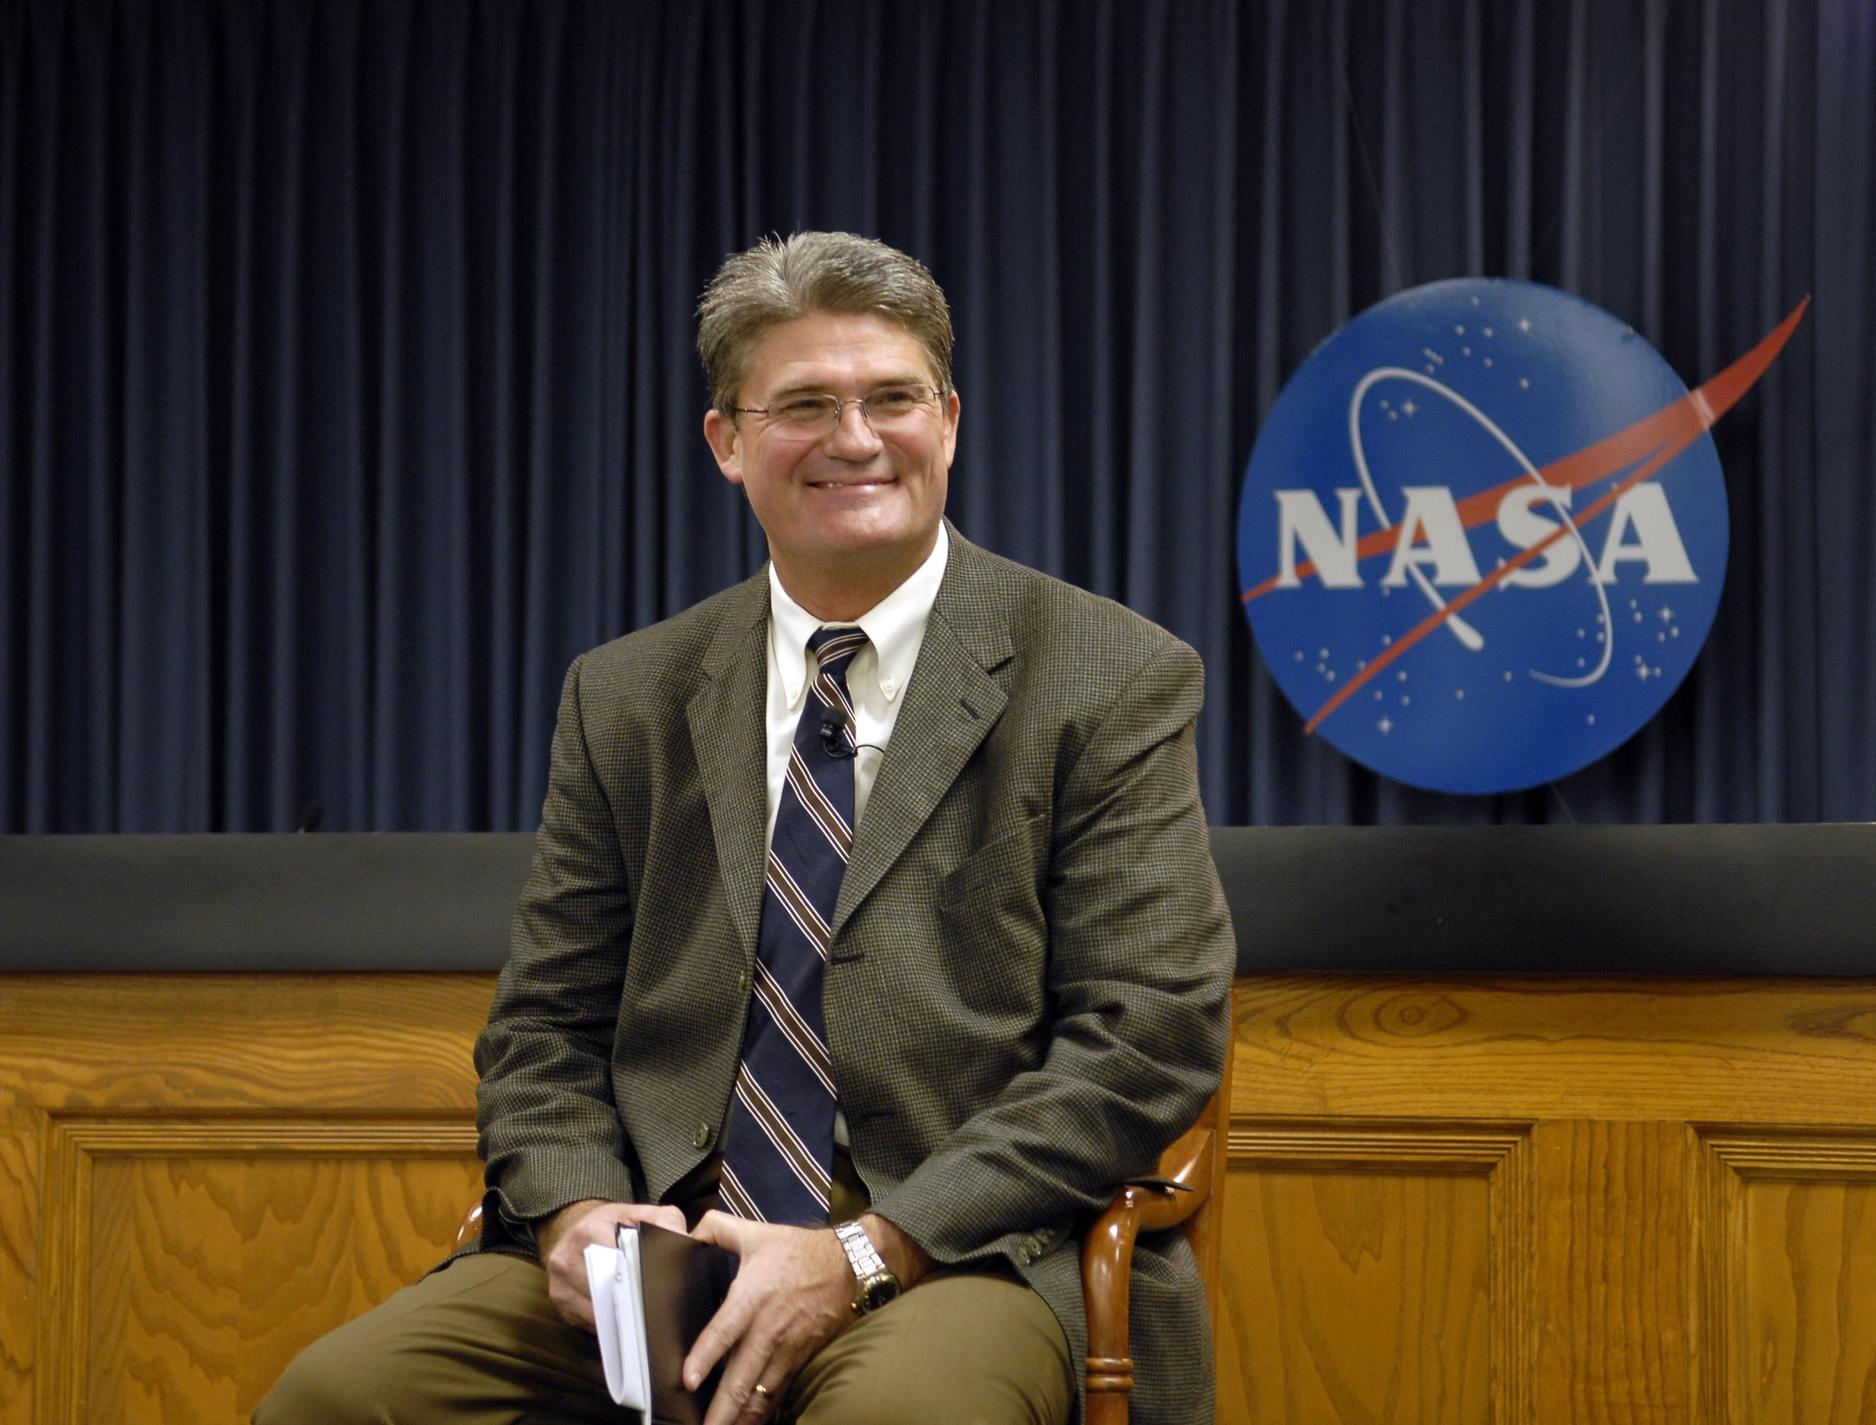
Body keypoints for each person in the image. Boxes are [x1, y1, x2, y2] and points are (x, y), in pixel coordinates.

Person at [256, 231, 1234, 1425]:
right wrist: (573, 1212)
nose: (858, 439)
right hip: (661, 1264)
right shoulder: (625, 692)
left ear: (952, 419)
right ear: (727, 441)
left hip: (959, 1253)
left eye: (893, 399)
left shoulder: (1110, 673)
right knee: (339, 1398)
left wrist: (869, 1250)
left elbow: (1147, 1040)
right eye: (807, 404)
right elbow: (545, 1026)